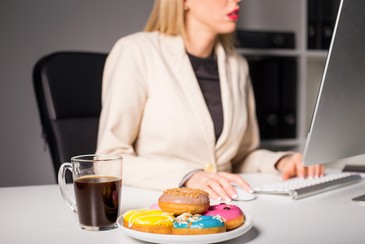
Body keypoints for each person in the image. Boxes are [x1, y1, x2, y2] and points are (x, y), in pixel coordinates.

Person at [96, 0, 324, 202]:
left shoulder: (237, 65)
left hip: (227, 203)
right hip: (158, 205)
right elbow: (108, 159)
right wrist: (188, 177)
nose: (237, 1)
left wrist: (281, 162)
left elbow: (242, 155)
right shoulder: (137, 51)